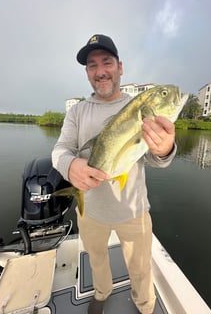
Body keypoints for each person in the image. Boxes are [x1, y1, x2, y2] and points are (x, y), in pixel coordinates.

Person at [52, 34, 176, 314]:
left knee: (141, 268)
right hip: (91, 212)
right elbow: (60, 150)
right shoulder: (77, 113)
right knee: (96, 260)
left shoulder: (140, 108)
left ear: (120, 67)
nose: (100, 71)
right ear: (87, 73)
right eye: (92, 66)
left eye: (106, 62)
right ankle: (101, 293)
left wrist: (165, 148)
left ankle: (146, 306)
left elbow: (155, 158)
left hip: (133, 211)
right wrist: (70, 166)